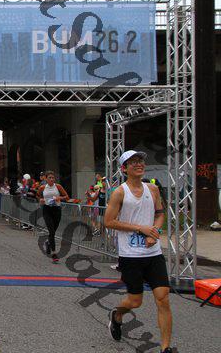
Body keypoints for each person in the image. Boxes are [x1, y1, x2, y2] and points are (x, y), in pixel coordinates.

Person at [104, 150, 173, 353]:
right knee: (135, 301)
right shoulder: (119, 192)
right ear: (124, 169)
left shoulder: (153, 189)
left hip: (153, 254)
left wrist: (155, 232)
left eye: (141, 160)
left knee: (163, 298)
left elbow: (160, 214)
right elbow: (109, 221)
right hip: (131, 255)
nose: (139, 164)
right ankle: (117, 314)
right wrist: (140, 228)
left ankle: (165, 348)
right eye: (133, 162)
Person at [37, 171, 69, 263]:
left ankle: (48, 243)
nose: (51, 179)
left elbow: (66, 196)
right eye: (50, 178)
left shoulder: (58, 186)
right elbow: (38, 195)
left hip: (57, 210)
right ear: (46, 179)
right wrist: (40, 200)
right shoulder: (43, 187)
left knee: (53, 232)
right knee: (51, 231)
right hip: (47, 210)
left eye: (53, 178)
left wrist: (59, 198)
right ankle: (54, 254)